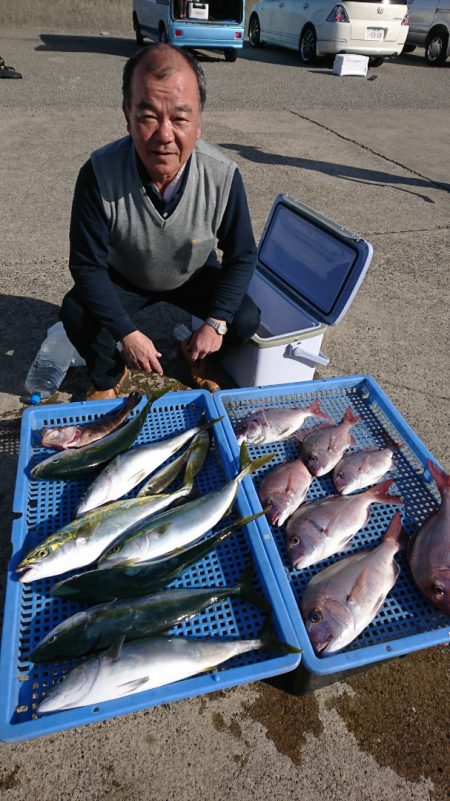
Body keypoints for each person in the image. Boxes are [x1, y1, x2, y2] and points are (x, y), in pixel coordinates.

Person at [60, 43, 260, 399]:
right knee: (75, 312)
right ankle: (107, 376)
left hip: (191, 273)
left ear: (198, 122)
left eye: (180, 118)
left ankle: (200, 356)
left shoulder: (223, 175)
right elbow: (87, 265)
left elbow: (242, 255)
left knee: (244, 317)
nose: (165, 136)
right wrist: (127, 334)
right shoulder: (98, 174)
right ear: (127, 115)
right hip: (126, 275)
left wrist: (215, 323)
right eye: (148, 116)